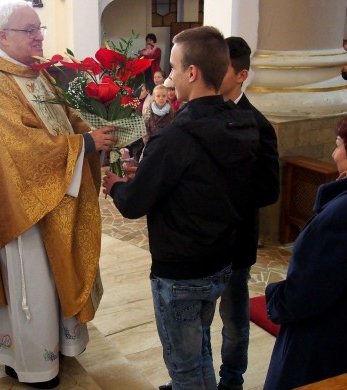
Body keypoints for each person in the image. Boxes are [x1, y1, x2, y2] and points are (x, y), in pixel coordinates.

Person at [0, 1, 117, 388]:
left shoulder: (37, 75)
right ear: (3, 36)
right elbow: (21, 150)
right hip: (21, 209)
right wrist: (84, 145)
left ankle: (53, 348)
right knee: (31, 284)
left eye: (40, 28)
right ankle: (33, 364)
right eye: (30, 30)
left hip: (55, 197)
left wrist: (96, 128)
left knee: (51, 280)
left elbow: (65, 117)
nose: (40, 36)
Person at [102, 26, 259, 390]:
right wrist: (150, 173)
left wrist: (117, 186)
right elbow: (201, 182)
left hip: (181, 272)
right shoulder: (243, 122)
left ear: (193, 73)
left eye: (173, 67)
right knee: (200, 348)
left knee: (184, 369)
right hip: (220, 262)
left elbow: (135, 203)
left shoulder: (174, 137)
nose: (170, 75)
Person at [263, 111, 347, 390]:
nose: (334, 152)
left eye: (339, 144)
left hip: (328, 356)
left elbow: (304, 295)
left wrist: (274, 297)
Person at [216, 36, 280, 390]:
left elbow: (269, 191)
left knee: (234, 320)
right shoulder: (201, 111)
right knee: (196, 317)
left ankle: (231, 382)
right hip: (202, 240)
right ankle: (195, 377)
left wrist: (221, 190)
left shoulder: (259, 125)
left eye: (221, 66)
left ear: (241, 75)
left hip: (235, 240)